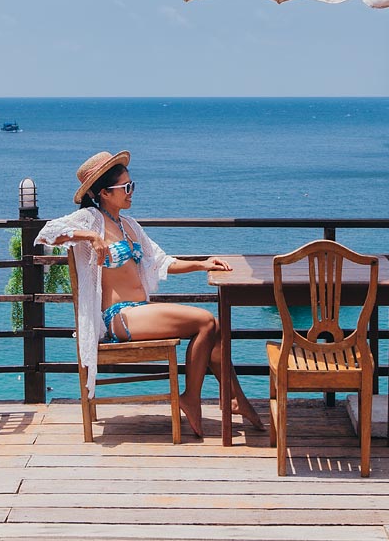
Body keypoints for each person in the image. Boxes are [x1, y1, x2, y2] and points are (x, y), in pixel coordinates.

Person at [37, 150, 263, 437]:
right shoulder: (90, 219)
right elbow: (47, 234)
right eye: (126, 187)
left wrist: (202, 263)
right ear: (105, 193)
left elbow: (162, 261)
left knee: (214, 326)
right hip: (119, 317)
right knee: (206, 321)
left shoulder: (129, 225)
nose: (132, 192)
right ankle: (194, 398)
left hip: (139, 311)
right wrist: (90, 237)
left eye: (133, 185)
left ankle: (233, 399)